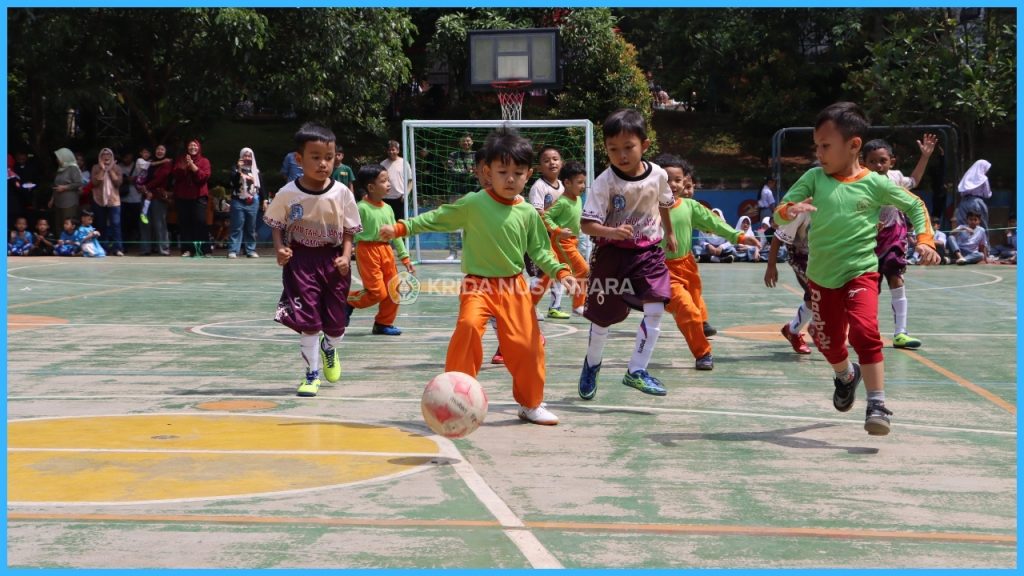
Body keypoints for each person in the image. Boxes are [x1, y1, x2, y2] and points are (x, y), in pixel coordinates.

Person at [379, 127, 578, 426]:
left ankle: (530, 404)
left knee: (528, 346)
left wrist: (561, 271)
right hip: (478, 285)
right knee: (468, 326)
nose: (510, 179)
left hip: (514, 287)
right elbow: (437, 218)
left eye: (517, 173)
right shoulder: (474, 203)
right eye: (502, 172)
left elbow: (540, 250)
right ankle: (453, 396)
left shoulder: (527, 212)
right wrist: (401, 228)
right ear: (488, 172)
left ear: (528, 175)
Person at [775, 102, 939, 436]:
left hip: (860, 272)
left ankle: (877, 404)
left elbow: (915, 205)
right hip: (821, 278)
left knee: (865, 332)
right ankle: (846, 375)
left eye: (825, 146)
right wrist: (789, 211)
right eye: (816, 146)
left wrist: (926, 240)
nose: (819, 153)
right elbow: (781, 210)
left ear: (853, 145)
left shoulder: (875, 184)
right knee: (828, 343)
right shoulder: (813, 178)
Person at [577, 108, 678, 400]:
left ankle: (636, 370)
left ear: (644, 145)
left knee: (656, 306)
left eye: (628, 147)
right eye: (613, 149)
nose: (621, 155)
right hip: (611, 256)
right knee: (602, 319)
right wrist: (611, 232)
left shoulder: (658, 174)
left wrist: (670, 232)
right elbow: (586, 225)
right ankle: (592, 364)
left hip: (647, 253)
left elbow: (665, 203)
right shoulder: (604, 182)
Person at [264, 122, 362, 397]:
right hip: (301, 261)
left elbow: (349, 230)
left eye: (328, 157)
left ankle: (329, 347)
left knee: (336, 326)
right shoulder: (288, 193)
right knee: (309, 323)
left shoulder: (342, 193)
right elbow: (276, 223)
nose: (323, 164)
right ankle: (311, 375)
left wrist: (346, 256)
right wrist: (280, 248)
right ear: (299, 159)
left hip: (333, 261)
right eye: (316, 157)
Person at [655, 153, 759, 371]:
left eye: (677, 180)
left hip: (687, 265)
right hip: (661, 270)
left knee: (696, 300)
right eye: (667, 179)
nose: (672, 184)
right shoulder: (648, 207)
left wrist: (739, 236)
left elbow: (714, 222)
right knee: (687, 309)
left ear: (685, 181)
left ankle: (702, 322)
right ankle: (703, 353)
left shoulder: (690, 206)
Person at [862, 135, 937, 349]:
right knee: (869, 288)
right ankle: (867, 331)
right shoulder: (860, 182)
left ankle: (900, 332)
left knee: (896, 278)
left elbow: (914, 181)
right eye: (872, 161)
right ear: (863, 163)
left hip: (893, 237)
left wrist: (925, 157)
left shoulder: (895, 177)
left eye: (882, 161)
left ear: (891, 162)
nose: (878, 165)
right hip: (867, 240)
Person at [347, 164, 416, 336]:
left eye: (388, 180)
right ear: (371, 187)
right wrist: (345, 252)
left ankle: (383, 323)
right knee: (377, 292)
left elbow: (395, 234)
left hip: (386, 251)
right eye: (384, 181)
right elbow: (348, 231)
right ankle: (347, 300)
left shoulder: (388, 208)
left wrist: (405, 257)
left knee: (394, 290)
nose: (388, 184)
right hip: (367, 251)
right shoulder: (361, 208)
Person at [533, 160, 589, 318]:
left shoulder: (578, 199)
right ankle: (578, 304)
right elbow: (545, 217)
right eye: (579, 182)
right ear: (567, 183)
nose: (583, 186)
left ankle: (530, 303)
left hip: (572, 242)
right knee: (584, 269)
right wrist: (558, 231)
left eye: (584, 182)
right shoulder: (563, 202)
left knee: (549, 275)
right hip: (562, 242)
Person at [764, 210, 813, 355]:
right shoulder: (802, 212)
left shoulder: (833, 208)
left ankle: (793, 330)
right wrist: (771, 266)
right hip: (800, 257)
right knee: (818, 294)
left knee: (813, 299)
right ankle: (815, 327)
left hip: (820, 257)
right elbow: (777, 238)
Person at [527, 145, 567, 318]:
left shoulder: (564, 187)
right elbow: (538, 213)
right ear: (539, 167)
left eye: (555, 159)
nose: (552, 163)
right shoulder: (538, 187)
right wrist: (555, 227)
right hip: (539, 238)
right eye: (546, 160)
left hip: (557, 238)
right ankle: (530, 306)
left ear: (562, 163)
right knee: (540, 274)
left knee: (558, 271)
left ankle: (555, 307)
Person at [172, 139, 212, 257]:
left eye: (195, 145)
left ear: (199, 148)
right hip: (183, 196)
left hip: (199, 197)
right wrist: (185, 165)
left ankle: (205, 250)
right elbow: (176, 175)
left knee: (200, 222)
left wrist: (193, 166)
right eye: (190, 145)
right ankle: (187, 250)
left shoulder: (204, 161)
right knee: (185, 223)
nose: (193, 147)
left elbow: (204, 177)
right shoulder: (181, 160)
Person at [444, 134, 476, 260]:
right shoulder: (453, 155)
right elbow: (451, 170)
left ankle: (471, 252)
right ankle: (453, 253)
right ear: (459, 142)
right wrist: (467, 172)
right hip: (455, 192)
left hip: (473, 192)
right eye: (463, 140)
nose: (466, 143)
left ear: (472, 142)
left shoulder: (476, 155)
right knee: (453, 221)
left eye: (468, 140)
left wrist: (471, 173)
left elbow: (478, 172)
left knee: (473, 222)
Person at [138, 144, 173, 256]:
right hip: (145, 196)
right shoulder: (149, 162)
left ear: (166, 152)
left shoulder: (167, 163)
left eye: (162, 149)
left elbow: (161, 177)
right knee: (145, 223)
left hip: (158, 197)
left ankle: (163, 249)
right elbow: (139, 176)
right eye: (158, 149)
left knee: (159, 223)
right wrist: (140, 187)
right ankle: (145, 249)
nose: (160, 151)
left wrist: (146, 187)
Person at [227, 147, 262, 259]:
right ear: (241, 156)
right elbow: (233, 182)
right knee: (237, 226)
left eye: (249, 156)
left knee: (251, 227)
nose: (247, 158)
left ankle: (250, 250)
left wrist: (265, 199)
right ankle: (233, 250)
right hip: (238, 200)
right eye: (245, 155)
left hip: (253, 201)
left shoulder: (255, 170)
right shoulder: (235, 168)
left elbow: (261, 186)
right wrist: (239, 168)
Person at [90, 148, 125, 256]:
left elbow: (118, 183)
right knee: (101, 225)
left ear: (112, 156)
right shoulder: (95, 167)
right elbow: (94, 182)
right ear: (100, 157)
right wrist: (102, 169)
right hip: (99, 199)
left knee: (115, 224)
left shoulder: (117, 167)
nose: (106, 156)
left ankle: (118, 248)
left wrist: (110, 170)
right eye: (103, 154)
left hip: (114, 200)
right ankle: (103, 248)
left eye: (108, 154)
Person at [49, 148, 83, 230]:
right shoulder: (60, 169)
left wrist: (65, 187)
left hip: (69, 202)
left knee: (68, 225)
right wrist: (52, 199)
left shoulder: (73, 168)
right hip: (58, 201)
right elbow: (56, 185)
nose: (57, 160)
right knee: (58, 224)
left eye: (58, 157)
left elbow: (78, 183)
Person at [956, 160, 991, 233]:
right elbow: (987, 194)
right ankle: (983, 240)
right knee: (982, 226)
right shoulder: (983, 178)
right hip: (977, 202)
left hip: (963, 203)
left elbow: (961, 191)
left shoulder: (966, 176)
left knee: (963, 226)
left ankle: (964, 240)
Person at [118, 150, 143, 251]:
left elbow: (143, 178)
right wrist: (125, 180)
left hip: (137, 199)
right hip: (123, 199)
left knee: (138, 224)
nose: (126, 159)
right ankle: (124, 246)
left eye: (128, 156)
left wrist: (134, 179)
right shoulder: (118, 166)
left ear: (131, 156)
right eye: (124, 157)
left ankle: (141, 246)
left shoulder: (138, 166)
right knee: (124, 224)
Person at [381, 140, 412, 223]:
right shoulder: (382, 164)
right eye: (389, 150)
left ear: (398, 150)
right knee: (387, 223)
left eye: (393, 150)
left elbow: (410, 181)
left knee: (400, 223)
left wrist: (406, 194)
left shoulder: (404, 163)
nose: (391, 152)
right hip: (385, 199)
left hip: (400, 199)